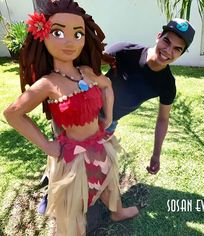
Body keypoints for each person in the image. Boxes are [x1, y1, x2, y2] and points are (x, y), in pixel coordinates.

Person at [3, 0, 138, 235]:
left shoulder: (86, 71)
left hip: (100, 142)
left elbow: (106, 85)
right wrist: (47, 146)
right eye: (58, 32)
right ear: (42, 36)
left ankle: (117, 212)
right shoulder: (47, 84)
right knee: (72, 206)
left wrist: (107, 116)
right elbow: (12, 113)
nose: (69, 41)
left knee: (109, 180)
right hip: (73, 157)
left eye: (78, 34)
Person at [104, 18, 195, 175]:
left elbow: (163, 119)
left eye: (177, 49)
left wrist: (156, 154)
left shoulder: (167, 84)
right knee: (65, 156)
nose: (168, 50)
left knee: (91, 168)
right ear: (158, 36)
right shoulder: (124, 51)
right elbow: (87, 63)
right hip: (84, 110)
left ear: (182, 53)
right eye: (166, 41)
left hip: (109, 124)